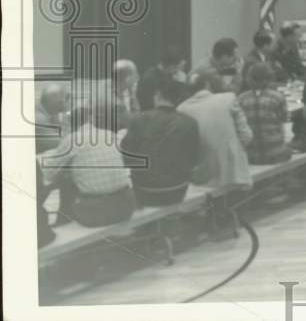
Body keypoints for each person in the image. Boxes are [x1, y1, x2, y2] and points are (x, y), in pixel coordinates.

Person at [37, 99, 135, 227]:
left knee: (67, 179)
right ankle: (63, 222)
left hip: (95, 213)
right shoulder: (110, 135)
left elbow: (49, 175)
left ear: (72, 124)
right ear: (91, 120)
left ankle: (63, 222)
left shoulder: (71, 140)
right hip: (126, 206)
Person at [120, 77, 200, 206]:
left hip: (145, 190)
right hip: (178, 190)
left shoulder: (139, 120)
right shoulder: (190, 123)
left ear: (158, 95)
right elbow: (193, 158)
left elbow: (126, 158)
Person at [178, 71, 253, 190]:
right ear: (208, 85)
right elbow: (247, 136)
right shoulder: (229, 98)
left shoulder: (181, 109)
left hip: (203, 173)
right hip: (234, 172)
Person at [238, 63, 292, 165]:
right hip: (275, 154)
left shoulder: (240, 99)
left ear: (249, 79)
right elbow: (283, 122)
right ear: (269, 78)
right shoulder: (278, 97)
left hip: (251, 155)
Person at [136, 46, 188, 111]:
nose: (181, 71)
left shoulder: (170, 76)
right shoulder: (149, 79)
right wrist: (181, 84)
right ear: (171, 67)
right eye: (180, 68)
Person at [35, 83, 67, 154]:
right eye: (61, 102)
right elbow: (60, 144)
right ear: (52, 101)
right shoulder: (39, 119)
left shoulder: (46, 113)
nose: (63, 105)